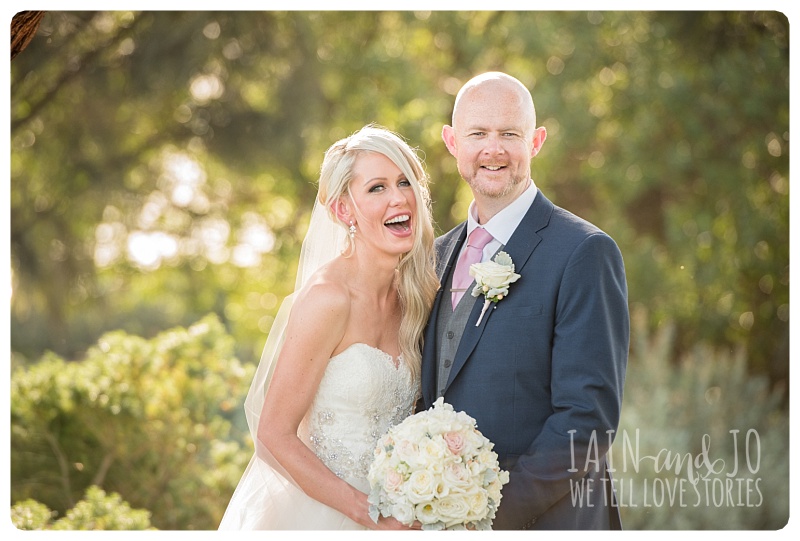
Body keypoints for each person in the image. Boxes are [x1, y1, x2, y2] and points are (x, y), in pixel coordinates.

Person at [419, 72, 629, 529]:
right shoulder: (433, 257)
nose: (493, 149)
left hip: (549, 522)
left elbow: (587, 421)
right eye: (478, 133)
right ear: (452, 141)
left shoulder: (584, 252)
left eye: (509, 134)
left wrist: (488, 514)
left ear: (535, 141)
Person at [219, 125, 439, 530]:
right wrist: (368, 515)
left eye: (405, 181)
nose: (398, 198)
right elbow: (273, 434)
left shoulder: (418, 295)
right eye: (377, 188)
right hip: (326, 514)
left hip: (405, 511)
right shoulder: (327, 299)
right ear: (343, 211)